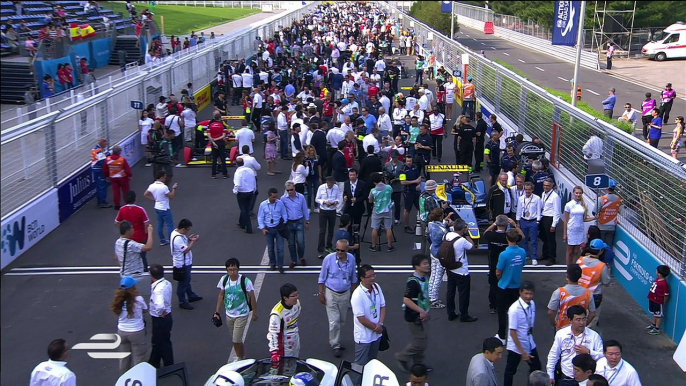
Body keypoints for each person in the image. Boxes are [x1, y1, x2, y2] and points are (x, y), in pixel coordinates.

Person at [318, 239, 357, 358]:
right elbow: (322, 277)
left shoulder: (351, 259)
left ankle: (337, 339)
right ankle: (335, 344)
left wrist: (353, 295)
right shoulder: (328, 259)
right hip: (331, 293)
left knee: (342, 320)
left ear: (347, 250)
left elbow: (354, 278)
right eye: (337, 250)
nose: (339, 252)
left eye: (342, 250)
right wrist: (321, 293)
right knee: (334, 321)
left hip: (345, 294)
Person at [546, 305, 604, 385]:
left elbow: (602, 357)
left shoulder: (594, 336)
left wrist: (589, 352)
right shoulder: (561, 334)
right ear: (570, 320)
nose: (582, 323)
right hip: (566, 378)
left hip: (586, 381)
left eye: (584, 319)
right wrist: (550, 375)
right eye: (578, 320)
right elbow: (553, 355)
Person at [214, 258, 258, 361]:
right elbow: (221, 295)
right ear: (227, 270)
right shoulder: (224, 280)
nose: (232, 272)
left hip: (241, 314)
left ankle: (240, 358)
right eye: (230, 270)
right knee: (235, 339)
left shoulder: (245, 281)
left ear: (238, 269)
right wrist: (217, 312)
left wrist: (254, 313)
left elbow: (252, 297)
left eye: (234, 269)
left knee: (236, 339)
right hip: (229, 314)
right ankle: (241, 356)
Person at [396, 254, 432, 373]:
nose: (427, 265)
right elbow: (406, 299)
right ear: (417, 266)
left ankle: (419, 364)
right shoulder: (413, 282)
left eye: (427, 263)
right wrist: (421, 311)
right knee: (420, 341)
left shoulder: (424, 277)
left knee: (422, 339)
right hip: (414, 315)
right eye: (424, 264)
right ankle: (402, 356)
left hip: (423, 313)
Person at [504, 281, 541, 386]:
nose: (528, 296)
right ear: (520, 293)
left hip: (529, 341)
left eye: (530, 294)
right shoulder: (514, 310)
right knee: (510, 372)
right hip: (516, 346)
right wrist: (522, 353)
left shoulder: (532, 304)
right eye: (526, 293)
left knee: (536, 368)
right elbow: (512, 332)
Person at [112, 276, 149, 374]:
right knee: (139, 359)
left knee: (124, 359)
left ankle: (123, 379)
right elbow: (145, 310)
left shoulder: (118, 300)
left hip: (122, 332)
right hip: (137, 332)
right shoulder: (138, 299)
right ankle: (139, 380)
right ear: (133, 287)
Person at [351, 264, 386, 366]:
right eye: (370, 276)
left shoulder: (376, 287)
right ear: (362, 278)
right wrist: (376, 327)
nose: (373, 278)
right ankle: (358, 382)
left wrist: (381, 323)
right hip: (364, 336)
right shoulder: (357, 295)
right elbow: (361, 318)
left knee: (372, 362)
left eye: (374, 275)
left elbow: (383, 306)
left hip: (376, 334)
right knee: (360, 364)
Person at [495, 229, 527, 343]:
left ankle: (502, 336)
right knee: (515, 312)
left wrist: (501, 278)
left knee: (502, 312)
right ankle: (515, 335)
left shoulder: (504, 254)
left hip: (504, 286)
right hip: (516, 286)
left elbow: (498, 272)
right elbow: (523, 264)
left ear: (507, 239)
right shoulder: (522, 252)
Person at [445, 219, 478, 323]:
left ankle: (451, 313)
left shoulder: (448, 235)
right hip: (461, 270)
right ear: (463, 229)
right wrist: (467, 234)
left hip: (450, 268)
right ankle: (464, 315)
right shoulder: (462, 240)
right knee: (463, 294)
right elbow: (472, 246)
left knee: (450, 291)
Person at [548, 265, 597, 330]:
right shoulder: (588, 293)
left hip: (562, 328)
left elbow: (551, 312)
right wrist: (584, 325)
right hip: (579, 329)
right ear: (580, 276)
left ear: (567, 276)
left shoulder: (559, 292)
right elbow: (592, 313)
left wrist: (554, 324)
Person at [576, 240, 611, 328]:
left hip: (578, 295)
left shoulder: (580, 260)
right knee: (592, 321)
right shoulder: (602, 266)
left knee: (577, 318)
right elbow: (606, 283)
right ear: (600, 251)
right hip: (594, 297)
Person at [115, 191, 151, 271]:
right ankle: (144, 271)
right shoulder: (140, 210)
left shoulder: (122, 209)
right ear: (135, 199)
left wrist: (123, 230)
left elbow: (116, 222)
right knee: (142, 256)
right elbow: (146, 223)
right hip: (140, 237)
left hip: (127, 238)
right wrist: (146, 233)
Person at [171, 218, 202, 310]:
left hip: (185, 263)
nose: (188, 231)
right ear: (184, 229)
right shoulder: (177, 239)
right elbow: (186, 250)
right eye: (188, 229)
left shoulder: (177, 233)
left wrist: (188, 239)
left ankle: (191, 295)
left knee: (186, 280)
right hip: (182, 264)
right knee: (183, 283)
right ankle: (182, 301)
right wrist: (193, 241)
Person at [268, 283, 301, 366]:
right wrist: (274, 351)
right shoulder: (277, 313)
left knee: (295, 361)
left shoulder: (297, 304)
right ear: (285, 298)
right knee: (286, 367)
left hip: (295, 338)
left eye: (297, 294)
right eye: (293, 296)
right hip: (284, 344)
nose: (296, 297)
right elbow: (272, 334)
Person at [148, 264, 174, 369]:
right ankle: (154, 362)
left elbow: (159, 306)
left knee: (161, 342)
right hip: (166, 318)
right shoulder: (167, 283)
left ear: (152, 275)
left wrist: (160, 313)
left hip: (160, 319)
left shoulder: (157, 290)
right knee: (159, 341)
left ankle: (168, 365)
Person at [258, 188, 288, 273]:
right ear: (269, 196)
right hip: (268, 229)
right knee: (270, 248)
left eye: (276, 197)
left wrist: (284, 223)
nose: (275, 199)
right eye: (273, 197)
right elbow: (260, 217)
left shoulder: (280, 203)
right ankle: (273, 263)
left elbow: (284, 214)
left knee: (280, 249)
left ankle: (280, 265)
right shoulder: (263, 204)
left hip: (279, 228)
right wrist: (262, 228)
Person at [564, 186, 596, 266]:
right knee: (570, 251)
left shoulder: (583, 205)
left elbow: (584, 219)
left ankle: (574, 267)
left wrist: (594, 218)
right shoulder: (569, 205)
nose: (578, 195)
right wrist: (565, 233)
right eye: (577, 193)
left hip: (580, 230)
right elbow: (566, 220)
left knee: (576, 251)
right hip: (571, 230)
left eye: (580, 193)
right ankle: (569, 268)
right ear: (574, 193)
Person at [144, 171, 178, 246]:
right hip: (165, 208)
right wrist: (174, 189)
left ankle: (162, 240)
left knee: (160, 224)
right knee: (170, 225)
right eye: (164, 177)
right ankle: (172, 240)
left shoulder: (152, 186)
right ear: (162, 177)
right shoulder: (163, 187)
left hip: (157, 207)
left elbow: (146, 194)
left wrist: (154, 199)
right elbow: (171, 196)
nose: (165, 178)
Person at [282, 180, 310, 268]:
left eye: (291, 189)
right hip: (289, 223)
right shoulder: (283, 199)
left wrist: (307, 221)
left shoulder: (301, 197)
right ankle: (293, 260)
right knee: (291, 243)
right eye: (288, 190)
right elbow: (281, 211)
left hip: (299, 222)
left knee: (301, 242)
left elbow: (305, 209)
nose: (290, 192)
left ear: (294, 188)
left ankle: (301, 257)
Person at [426, 208, 449, 309]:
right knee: (438, 277)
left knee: (433, 275)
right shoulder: (442, 231)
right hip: (440, 253)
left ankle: (430, 296)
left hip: (433, 251)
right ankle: (434, 300)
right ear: (440, 216)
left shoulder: (430, 224)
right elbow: (446, 236)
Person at [516, 182, 542, 265]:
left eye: (529, 189)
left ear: (532, 190)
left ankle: (534, 257)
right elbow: (519, 210)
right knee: (524, 239)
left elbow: (539, 210)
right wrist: (518, 222)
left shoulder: (537, 198)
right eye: (526, 189)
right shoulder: (521, 198)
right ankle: (526, 254)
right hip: (523, 221)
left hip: (533, 221)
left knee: (534, 240)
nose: (527, 191)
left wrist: (537, 221)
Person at [368, 173, 395, 252]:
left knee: (375, 228)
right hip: (387, 210)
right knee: (388, 228)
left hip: (377, 211)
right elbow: (391, 193)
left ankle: (373, 246)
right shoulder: (388, 187)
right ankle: (389, 246)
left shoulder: (373, 191)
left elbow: (370, 200)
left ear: (374, 182)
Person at [539, 179, 561, 266]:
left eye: (547, 186)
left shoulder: (555, 196)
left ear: (552, 186)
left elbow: (557, 211)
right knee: (543, 236)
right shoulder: (543, 193)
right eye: (544, 185)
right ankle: (545, 253)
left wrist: (554, 224)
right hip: (543, 217)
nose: (545, 187)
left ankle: (552, 258)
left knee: (551, 239)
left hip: (550, 218)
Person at [593, 180, 621, 245]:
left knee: (599, 246)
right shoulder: (618, 199)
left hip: (601, 227)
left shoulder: (601, 199)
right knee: (608, 246)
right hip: (612, 227)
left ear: (606, 188)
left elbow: (594, 212)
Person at [234, 157, 257, 234]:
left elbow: (237, 184)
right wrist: (254, 189)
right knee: (246, 207)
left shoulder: (238, 172)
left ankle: (248, 227)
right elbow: (254, 180)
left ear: (237, 164)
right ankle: (241, 223)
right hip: (250, 192)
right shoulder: (250, 170)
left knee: (244, 210)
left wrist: (235, 191)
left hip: (242, 193)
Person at [646, 265, 670, 336]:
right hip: (652, 299)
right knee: (654, 313)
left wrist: (663, 302)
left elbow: (666, 294)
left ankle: (657, 329)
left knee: (658, 315)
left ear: (659, 274)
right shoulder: (658, 279)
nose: (655, 272)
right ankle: (653, 324)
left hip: (658, 302)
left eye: (657, 271)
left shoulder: (663, 284)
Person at [91, 138, 112, 208]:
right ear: (102, 143)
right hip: (99, 170)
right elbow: (102, 162)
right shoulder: (98, 151)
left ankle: (100, 201)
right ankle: (102, 202)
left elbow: (106, 155)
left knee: (100, 186)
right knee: (102, 186)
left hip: (97, 169)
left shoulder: (99, 149)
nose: (106, 145)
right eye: (105, 143)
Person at [207, 113, 229, 179]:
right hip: (221, 143)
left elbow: (208, 135)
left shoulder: (210, 125)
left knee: (214, 159)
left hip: (214, 144)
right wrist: (217, 139)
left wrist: (213, 141)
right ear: (219, 118)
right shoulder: (222, 125)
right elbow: (223, 136)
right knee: (222, 159)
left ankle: (213, 174)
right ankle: (224, 174)